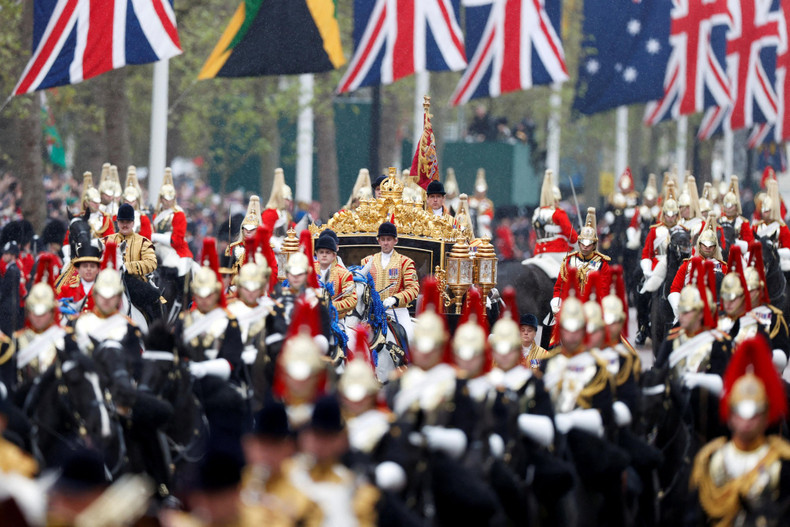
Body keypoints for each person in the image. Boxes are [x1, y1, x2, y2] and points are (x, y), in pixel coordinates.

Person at [689, 337, 790, 526]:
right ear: (731, 415)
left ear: (764, 416)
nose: (746, 423)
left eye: (754, 415)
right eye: (740, 414)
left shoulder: (782, 463)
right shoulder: (710, 460)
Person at [240, 400, 323, 526]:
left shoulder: (304, 491)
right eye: (260, 443)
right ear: (248, 445)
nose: (265, 452)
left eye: (274, 444)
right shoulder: (233, 487)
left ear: (289, 447)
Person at [361, 222, 419, 343]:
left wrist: (395, 299)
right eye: (383, 239)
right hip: (371, 312)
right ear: (378, 241)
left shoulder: (405, 262)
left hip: (396, 311)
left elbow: (413, 289)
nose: (386, 243)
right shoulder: (367, 261)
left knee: (410, 338)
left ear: (395, 241)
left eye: (389, 239)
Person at [104, 203, 161, 323]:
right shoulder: (107, 240)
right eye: (122, 221)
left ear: (133, 223)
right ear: (117, 222)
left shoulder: (144, 242)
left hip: (135, 282)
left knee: (156, 296)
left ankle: (156, 329)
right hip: (110, 281)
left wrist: (126, 267)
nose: (125, 225)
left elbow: (151, 263)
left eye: (128, 222)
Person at [551, 207, 611, 315]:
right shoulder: (569, 261)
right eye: (582, 244)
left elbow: (604, 290)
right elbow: (559, 287)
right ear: (579, 243)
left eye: (588, 244)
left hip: (592, 307)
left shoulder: (602, 264)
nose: (585, 247)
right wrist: (557, 302)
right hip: (570, 306)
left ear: (594, 245)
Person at [668, 215, 727, 319]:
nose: (708, 248)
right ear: (699, 245)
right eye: (705, 245)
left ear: (715, 247)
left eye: (711, 246)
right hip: (691, 308)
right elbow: (675, 288)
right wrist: (678, 308)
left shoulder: (723, 266)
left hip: (714, 308)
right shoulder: (687, 265)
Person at [526, 169, 578, 278]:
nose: (558, 203)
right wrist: (579, 243)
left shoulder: (537, 212)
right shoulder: (558, 213)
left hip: (539, 251)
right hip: (557, 252)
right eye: (556, 200)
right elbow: (571, 235)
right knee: (578, 273)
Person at [152, 167, 193, 263]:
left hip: (176, 250)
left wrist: (154, 236)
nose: (168, 202)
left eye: (171, 199)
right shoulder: (156, 214)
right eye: (165, 199)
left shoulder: (178, 214)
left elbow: (177, 240)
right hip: (157, 248)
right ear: (161, 199)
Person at [313, 234, 356, 323]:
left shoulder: (344, 274)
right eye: (321, 252)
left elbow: (352, 300)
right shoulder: (308, 270)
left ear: (334, 255)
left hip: (335, 320)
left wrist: (330, 305)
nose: (324, 255)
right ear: (316, 254)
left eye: (328, 252)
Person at [56, 239, 102, 314]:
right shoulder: (67, 290)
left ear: (98, 269)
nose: (89, 269)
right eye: (85, 266)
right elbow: (58, 313)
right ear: (77, 269)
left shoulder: (104, 291)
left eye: (92, 266)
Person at [226, 195, 262, 276]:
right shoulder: (232, 248)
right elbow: (227, 271)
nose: (248, 231)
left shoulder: (265, 249)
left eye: (252, 229)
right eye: (246, 228)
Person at [719, 175, 754, 248]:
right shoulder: (718, 220)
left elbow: (749, 244)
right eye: (726, 206)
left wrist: (735, 242)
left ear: (736, 207)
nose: (728, 209)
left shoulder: (743, 223)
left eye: (731, 206)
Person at [0, 241, 23, 336]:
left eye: (7, 253)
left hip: (8, 309)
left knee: (7, 334)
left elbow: (5, 290)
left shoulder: (12, 270)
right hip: (10, 308)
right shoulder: (12, 268)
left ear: (13, 255)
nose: (4, 256)